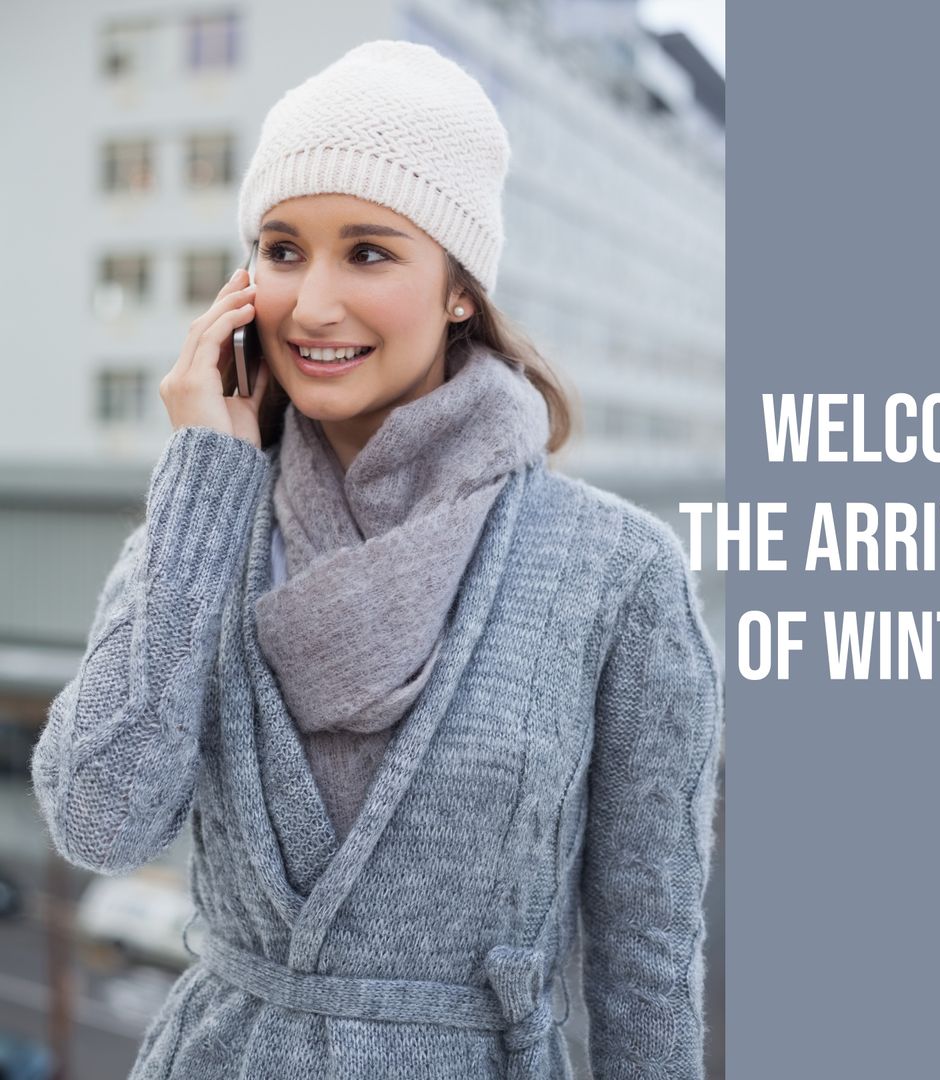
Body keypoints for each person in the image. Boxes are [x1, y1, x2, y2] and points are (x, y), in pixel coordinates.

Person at [31, 40, 723, 1079]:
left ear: (458, 288)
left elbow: (647, 958)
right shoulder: (200, 531)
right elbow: (99, 817)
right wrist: (198, 491)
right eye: (280, 248)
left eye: (368, 252)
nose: (311, 304)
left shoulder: (614, 571)